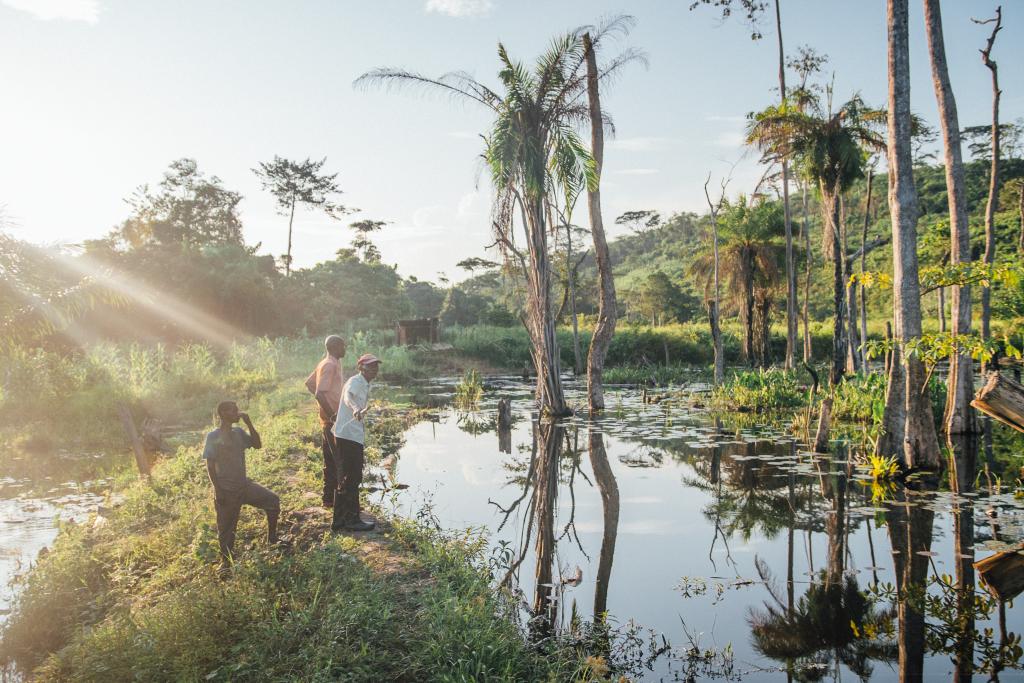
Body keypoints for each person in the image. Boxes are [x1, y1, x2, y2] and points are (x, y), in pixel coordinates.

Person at [202, 401, 285, 567]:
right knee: (226, 530)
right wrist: (218, 490)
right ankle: (226, 563)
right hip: (226, 490)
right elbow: (210, 466)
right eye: (233, 411)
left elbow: (257, 445)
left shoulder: (239, 432)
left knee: (272, 501)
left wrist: (249, 423)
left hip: (244, 486)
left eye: (237, 410)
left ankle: (272, 539)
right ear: (223, 414)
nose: (237, 413)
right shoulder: (213, 437)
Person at [331, 353, 381, 532]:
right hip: (347, 436)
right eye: (370, 366)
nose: (374, 369)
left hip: (350, 434)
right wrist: (356, 409)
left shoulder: (365, 383)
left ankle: (340, 520)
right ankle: (351, 520)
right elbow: (348, 398)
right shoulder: (355, 382)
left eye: (376, 366)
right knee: (352, 477)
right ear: (361, 368)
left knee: (348, 476)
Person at [305, 335, 347, 507]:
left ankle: (328, 499)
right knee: (340, 461)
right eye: (343, 346)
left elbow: (309, 383)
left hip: (328, 421)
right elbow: (319, 393)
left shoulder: (328, 362)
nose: (345, 349)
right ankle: (341, 502)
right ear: (335, 347)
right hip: (331, 422)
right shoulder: (329, 365)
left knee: (330, 460)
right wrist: (332, 415)